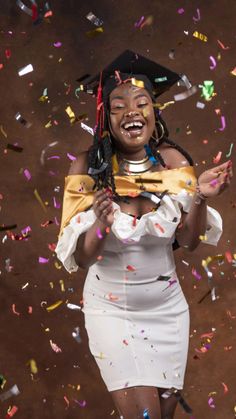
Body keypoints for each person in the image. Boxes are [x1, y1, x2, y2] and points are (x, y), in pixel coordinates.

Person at [55, 50, 233, 419]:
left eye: (141, 102)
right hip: (112, 312)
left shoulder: (174, 163)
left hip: (167, 311)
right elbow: (82, 258)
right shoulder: (87, 167)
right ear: (106, 118)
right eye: (118, 106)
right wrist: (101, 227)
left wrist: (199, 196)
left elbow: (188, 241)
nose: (131, 111)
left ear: (154, 112)